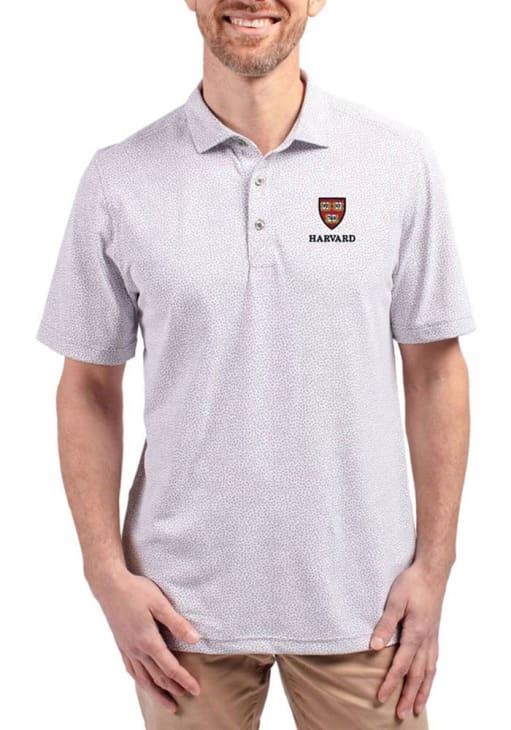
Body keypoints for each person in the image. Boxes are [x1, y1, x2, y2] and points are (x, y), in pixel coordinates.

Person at [35, 0, 476, 727]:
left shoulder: (396, 160)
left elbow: (434, 370)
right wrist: (105, 574)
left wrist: (435, 567)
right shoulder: (120, 178)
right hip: (179, 615)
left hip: (365, 605)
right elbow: (87, 385)